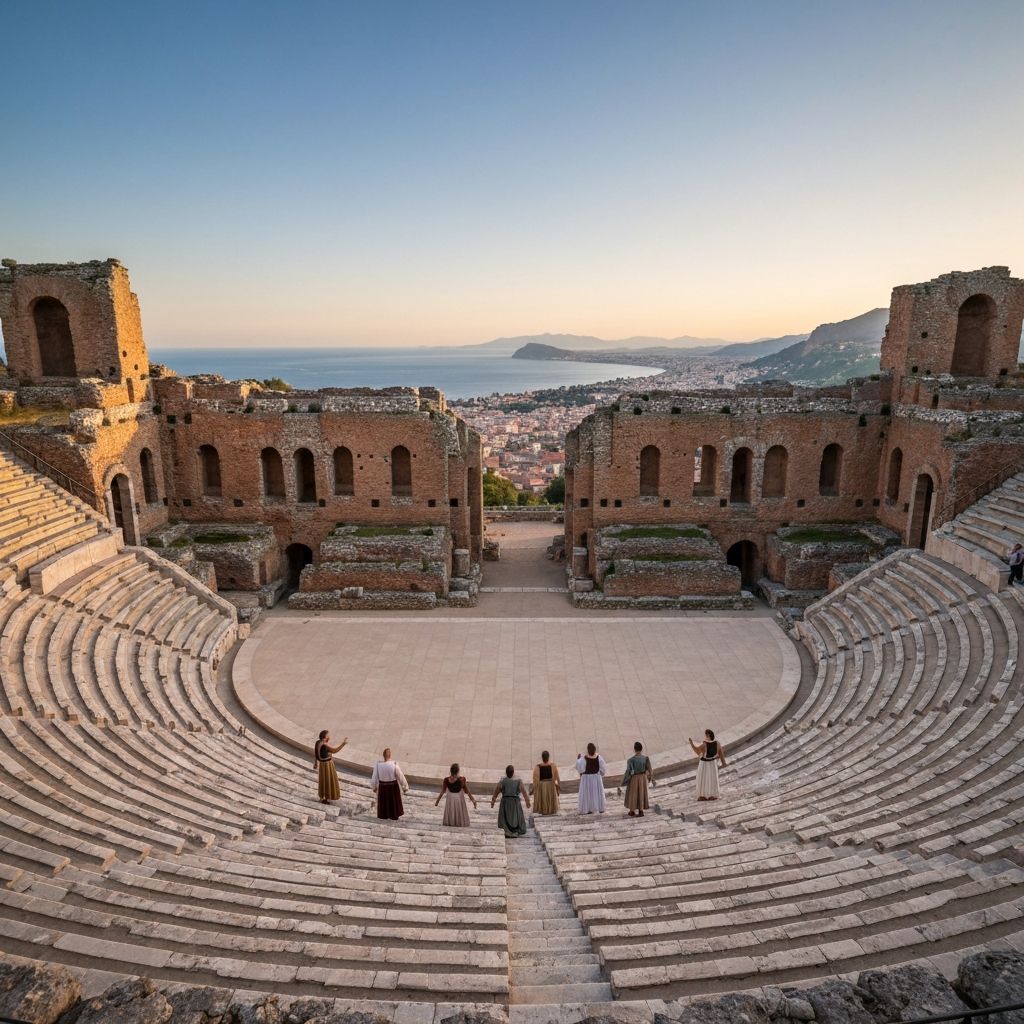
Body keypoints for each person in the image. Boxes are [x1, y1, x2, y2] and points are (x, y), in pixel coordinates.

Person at [371, 748, 410, 820]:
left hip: (383, 787)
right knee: (393, 803)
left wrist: (374, 787)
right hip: (393, 787)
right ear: (390, 755)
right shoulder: (394, 765)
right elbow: (401, 776)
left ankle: (384, 815)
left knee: (384, 803)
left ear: (383, 755)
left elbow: (374, 777)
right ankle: (394, 815)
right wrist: (405, 787)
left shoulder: (378, 765)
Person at [491, 764, 529, 837]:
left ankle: (508, 830)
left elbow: (496, 791)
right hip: (515, 802)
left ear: (506, 772)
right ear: (513, 772)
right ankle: (513, 829)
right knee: (514, 817)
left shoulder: (503, 781)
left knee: (507, 817)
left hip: (505, 802)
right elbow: (524, 792)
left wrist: (493, 801)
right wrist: (527, 802)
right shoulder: (518, 781)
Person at [689, 729, 726, 801]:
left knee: (703, 779)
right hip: (713, 763)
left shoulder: (704, 745)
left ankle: (702, 796)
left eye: (705, 734)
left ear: (708, 735)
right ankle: (713, 795)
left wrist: (691, 743)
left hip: (704, 764)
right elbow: (721, 753)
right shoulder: (717, 743)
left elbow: (697, 751)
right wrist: (724, 763)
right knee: (712, 779)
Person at [313, 729, 347, 804]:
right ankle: (326, 797)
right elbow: (335, 750)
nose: (329, 736)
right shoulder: (324, 745)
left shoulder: (318, 742)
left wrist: (315, 763)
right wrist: (343, 744)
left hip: (322, 764)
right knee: (328, 780)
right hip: (327, 764)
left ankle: (323, 796)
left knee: (323, 780)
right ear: (325, 736)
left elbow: (316, 753)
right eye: (328, 735)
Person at [621, 741, 653, 817]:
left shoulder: (631, 760)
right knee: (641, 793)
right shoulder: (645, 758)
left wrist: (624, 781)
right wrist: (649, 778)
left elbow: (628, 771)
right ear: (641, 749)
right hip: (642, 778)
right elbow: (650, 770)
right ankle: (641, 810)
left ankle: (632, 811)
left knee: (633, 794)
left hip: (634, 778)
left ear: (634, 749)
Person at [575, 742, 606, 814]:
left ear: (588, 750)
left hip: (586, 778)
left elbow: (579, 768)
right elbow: (603, 769)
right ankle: (598, 807)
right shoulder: (599, 758)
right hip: (596, 778)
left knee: (587, 794)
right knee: (596, 793)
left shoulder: (584, 758)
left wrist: (578, 758)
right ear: (595, 750)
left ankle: (587, 808)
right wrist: (601, 774)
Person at [531, 751, 560, 816]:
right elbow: (556, 776)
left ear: (542, 757)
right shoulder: (552, 765)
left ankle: (544, 810)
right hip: (550, 785)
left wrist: (534, 788)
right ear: (548, 757)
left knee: (543, 798)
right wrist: (558, 785)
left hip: (542, 785)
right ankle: (551, 810)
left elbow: (535, 779)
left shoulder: (538, 766)